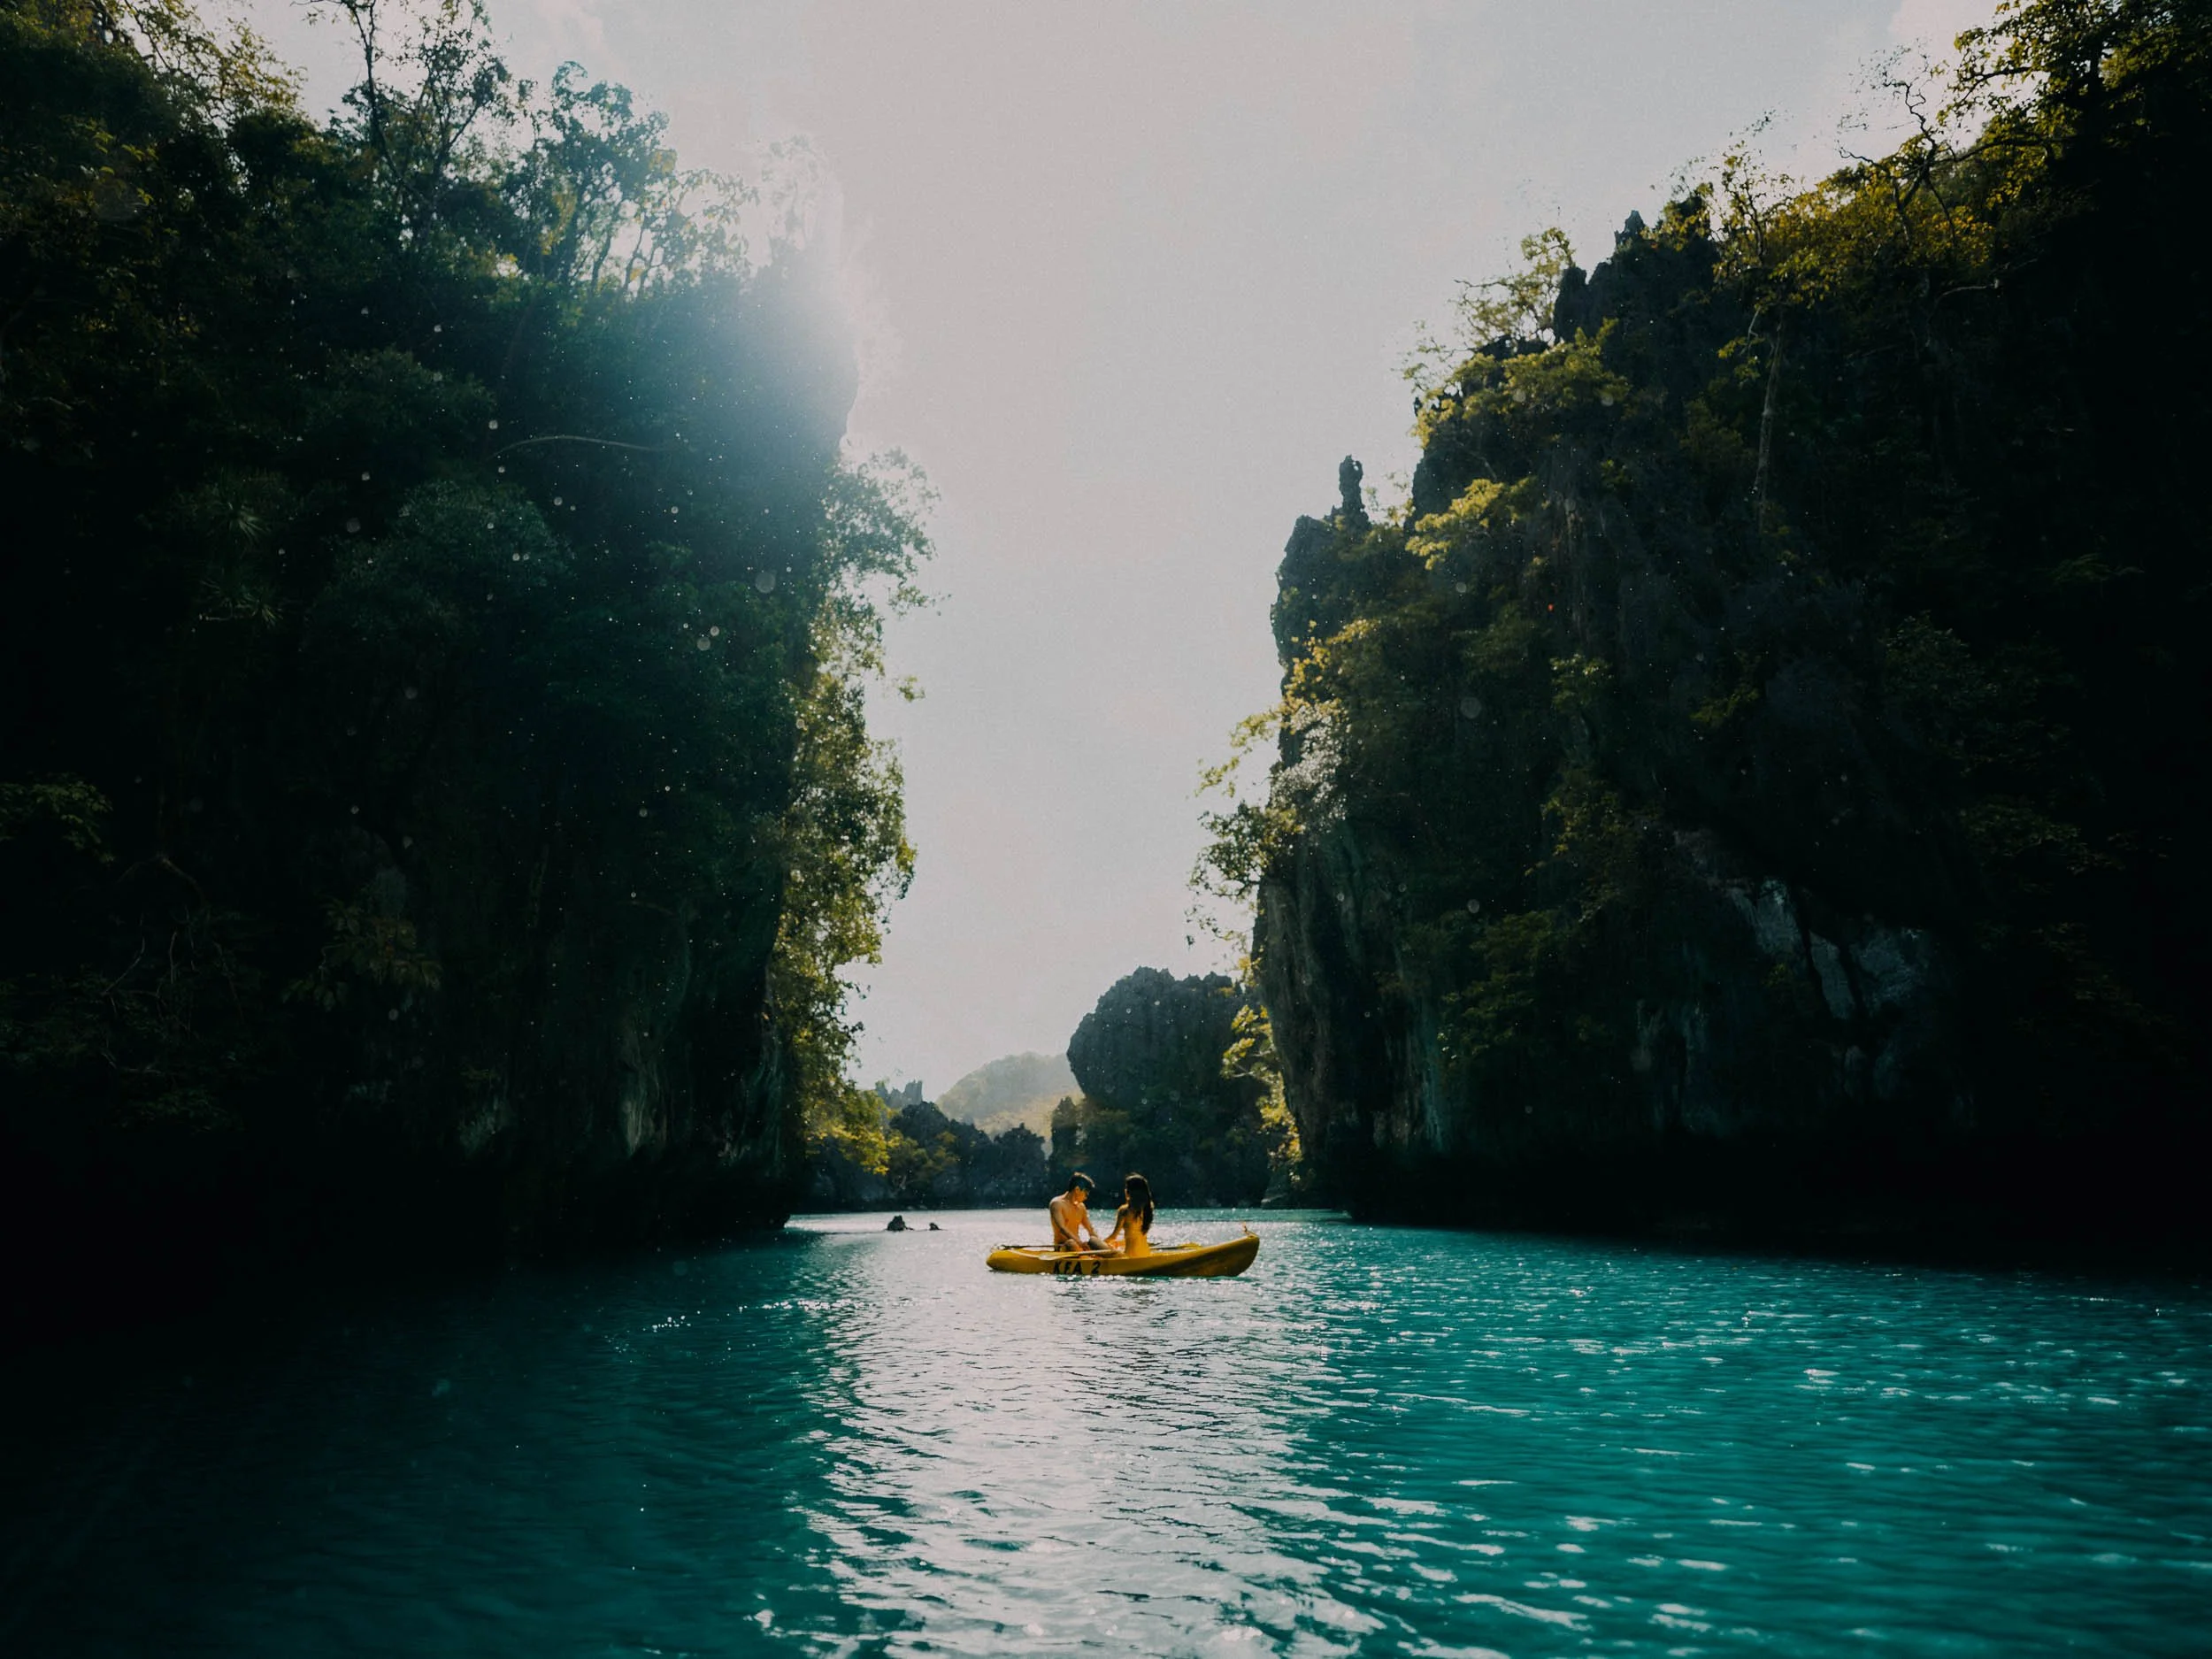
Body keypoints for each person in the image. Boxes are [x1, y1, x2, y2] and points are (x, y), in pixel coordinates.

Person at [1048, 1173, 1105, 1252]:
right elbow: (1062, 1228)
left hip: (1078, 1245)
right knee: (1071, 1243)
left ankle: (1115, 1255)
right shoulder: (1057, 1204)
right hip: (1063, 1246)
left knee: (1094, 1240)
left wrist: (1101, 1243)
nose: (1086, 1198)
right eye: (1086, 1194)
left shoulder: (1081, 1207)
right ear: (1077, 1190)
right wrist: (1080, 1243)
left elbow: (1090, 1230)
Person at [1102, 1173, 1155, 1258]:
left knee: (1093, 1241)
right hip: (1145, 1254)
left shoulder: (1124, 1211)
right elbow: (1135, 1236)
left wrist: (1103, 1242)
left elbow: (1114, 1236)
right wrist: (1119, 1243)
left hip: (1130, 1256)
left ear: (1128, 1191)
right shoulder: (1148, 1208)